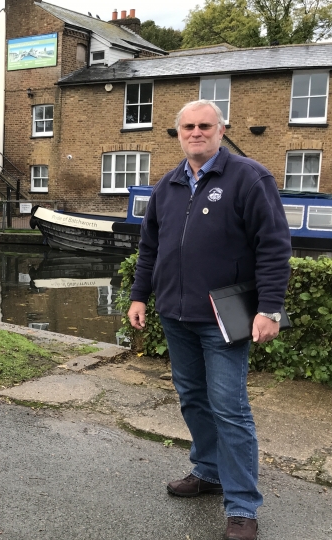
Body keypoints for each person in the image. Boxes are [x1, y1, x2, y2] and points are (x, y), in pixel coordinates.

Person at [127, 100, 291, 540]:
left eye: (204, 126)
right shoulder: (167, 185)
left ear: (221, 130)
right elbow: (150, 249)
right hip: (176, 314)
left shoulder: (250, 178)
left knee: (230, 409)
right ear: (178, 133)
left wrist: (269, 308)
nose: (195, 132)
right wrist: (139, 295)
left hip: (225, 317)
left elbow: (274, 247)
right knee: (193, 400)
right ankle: (208, 471)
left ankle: (242, 506)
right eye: (188, 127)